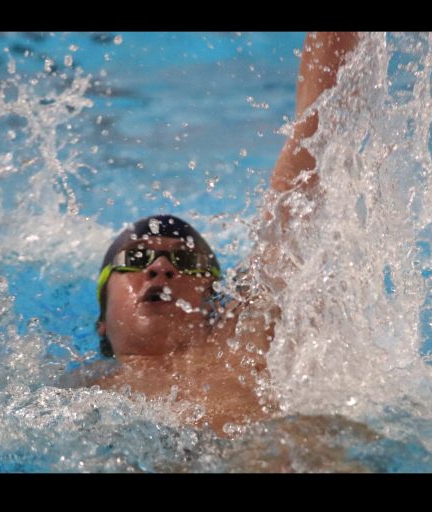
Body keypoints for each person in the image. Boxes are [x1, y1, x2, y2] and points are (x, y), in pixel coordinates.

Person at [70, 33, 361, 436]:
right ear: (102, 319)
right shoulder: (75, 394)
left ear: (214, 299)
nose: (160, 268)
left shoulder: (245, 332)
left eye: (186, 261)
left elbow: (314, 138)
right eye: (136, 259)